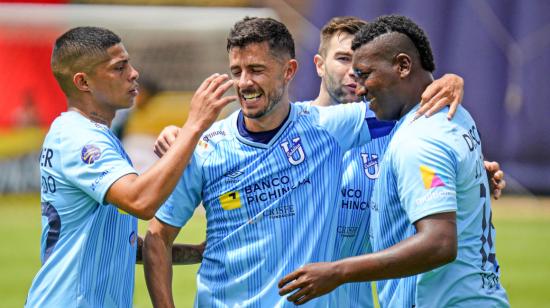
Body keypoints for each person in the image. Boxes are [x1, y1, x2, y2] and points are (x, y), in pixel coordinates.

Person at [143, 16, 382, 307]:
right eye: (236, 71)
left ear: (288, 71)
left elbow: (408, 105)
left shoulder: (326, 128)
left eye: (256, 70)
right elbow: (158, 236)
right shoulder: (206, 146)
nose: (244, 83)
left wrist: (444, 84)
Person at [278, 15, 510, 307]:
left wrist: (338, 271)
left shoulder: (412, 135)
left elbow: (438, 242)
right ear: (319, 65)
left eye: (363, 71)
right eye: (343, 60)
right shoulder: (450, 116)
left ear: (402, 66)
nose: (357, 82)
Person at [25, 26, 235, 307]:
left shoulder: (95, 135)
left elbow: (122, 245)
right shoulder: (79, 138)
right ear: (83, 82)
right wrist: (194, 125)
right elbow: (141, 201)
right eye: (119, 67)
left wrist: (196, 252)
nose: (134, 73)